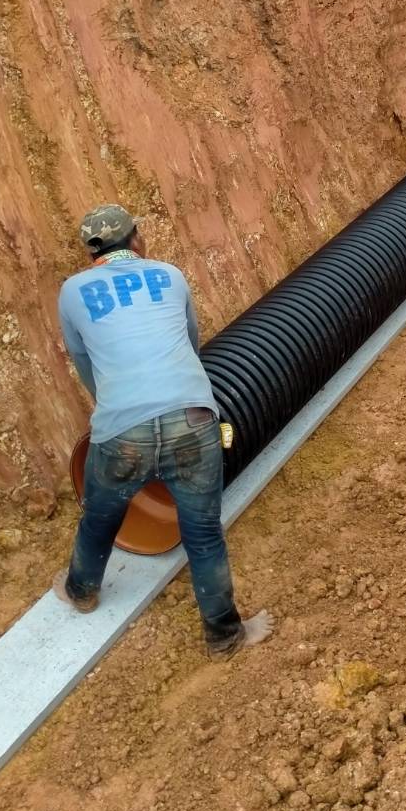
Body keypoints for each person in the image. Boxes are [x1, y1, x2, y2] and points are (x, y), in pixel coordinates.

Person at [54, 203, 271, 658]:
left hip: (121, 431)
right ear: (137, 239)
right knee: (204, 532)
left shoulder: (72, 291)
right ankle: (225, 635)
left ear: (92, 253)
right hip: (193, 419)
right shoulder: (169, 275)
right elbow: (191, 344)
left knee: (100, 514)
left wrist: (115, 406)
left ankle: (81, 591)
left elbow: (83, 360)